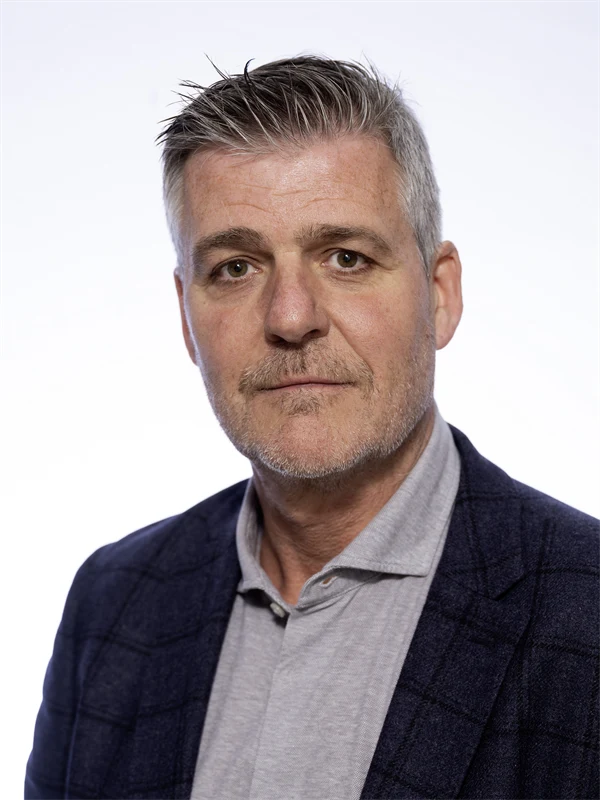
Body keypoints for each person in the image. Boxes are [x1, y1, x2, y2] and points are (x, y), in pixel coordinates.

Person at [26, 56, 600, 800]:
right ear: (187, 318)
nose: (291, 317)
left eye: (345, 258)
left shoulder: (585, 610)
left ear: (440, 295)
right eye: (236, 268)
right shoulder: (113, 605)